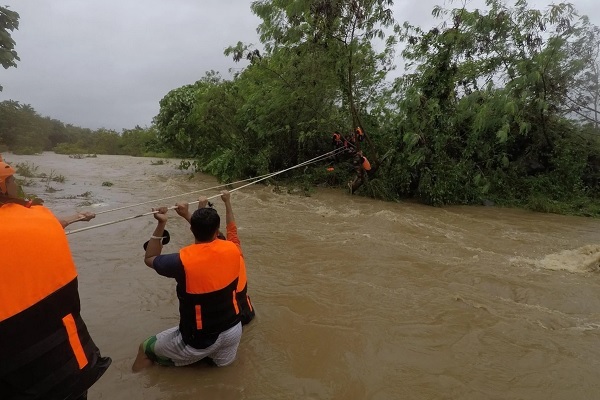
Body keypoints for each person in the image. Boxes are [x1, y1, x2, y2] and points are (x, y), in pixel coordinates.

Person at [0, 160, 112, 400]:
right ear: (5, 187)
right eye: (13, 180)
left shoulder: (40, 219)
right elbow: (46, 223)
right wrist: (77, 217)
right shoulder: (41, 218)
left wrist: (76, 217)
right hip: (72, 370)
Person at [132, 201, 244, 372]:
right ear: (217, 230)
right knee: (219, 373)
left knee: (145, 348)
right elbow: (213, 235)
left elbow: (150, 258)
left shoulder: (181, 262)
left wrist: (161, 223)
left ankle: (138, 384)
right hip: (233, 330)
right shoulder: (233, 249)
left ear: (192, 230)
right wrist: (187, 215)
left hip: (201, 340)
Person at [175, 191, 255, 326]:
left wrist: (197, 211)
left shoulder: (213, 257)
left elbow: (203, 240)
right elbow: (230, 228)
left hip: (230, 317)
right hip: (247, 312)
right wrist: (227, 202)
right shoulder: (235, 249)